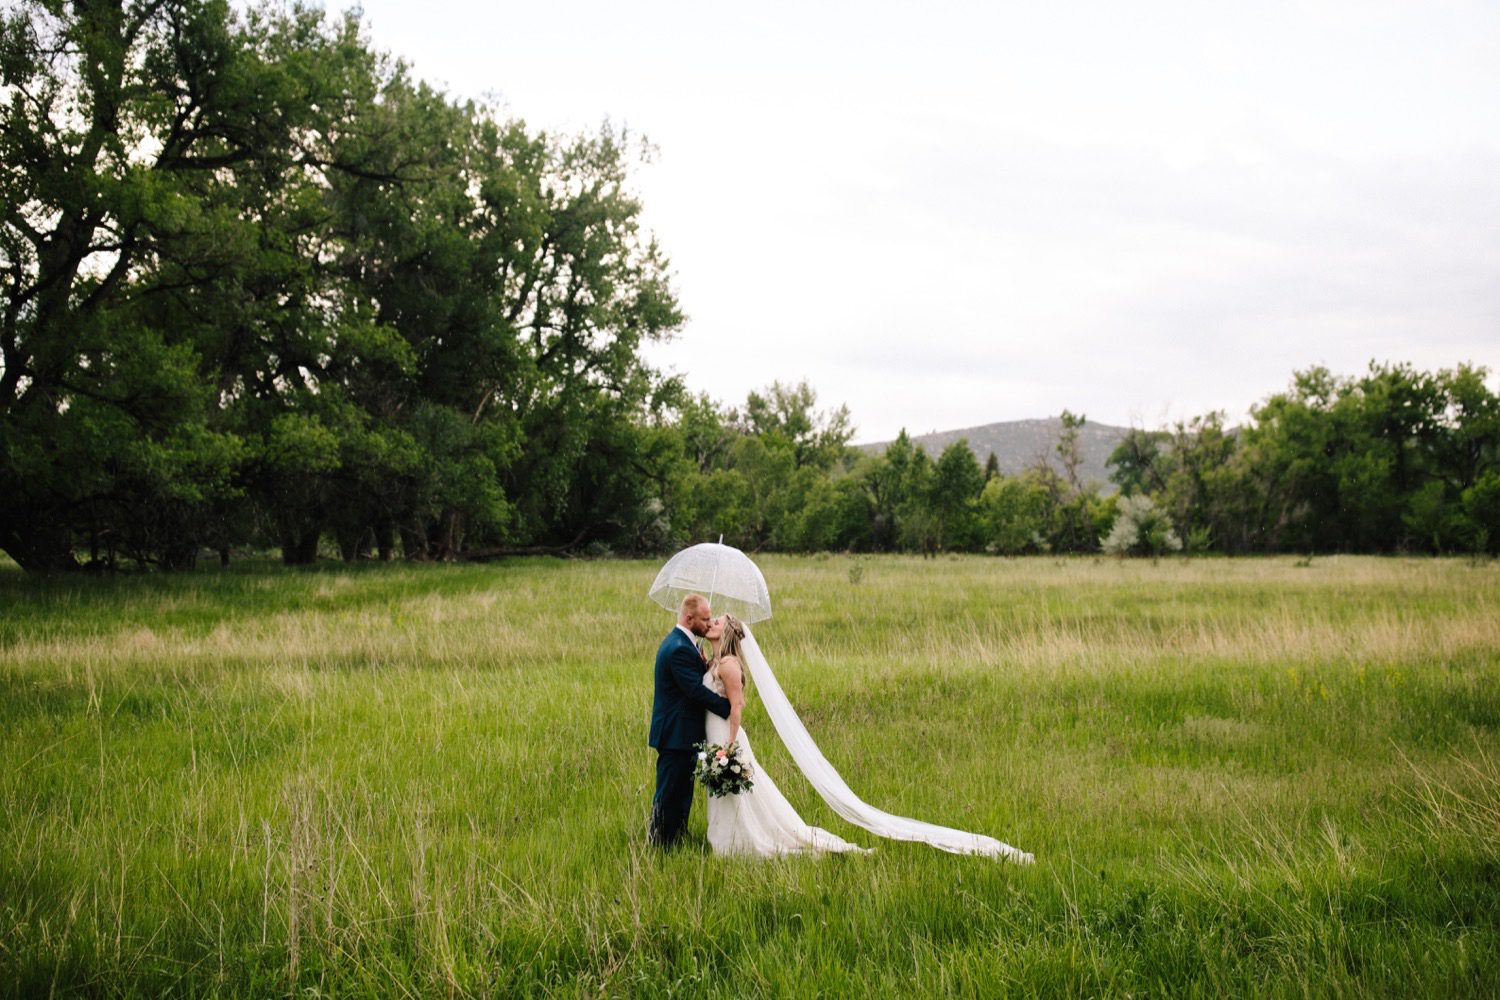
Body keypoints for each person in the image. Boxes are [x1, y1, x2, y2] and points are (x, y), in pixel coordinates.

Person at [700, 613, 869, 856]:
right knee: (724, 792)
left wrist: (730, 745)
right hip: (714, 734)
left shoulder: (728, 664)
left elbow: (737, 706)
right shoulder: (715, 663)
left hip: (727, 737)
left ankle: (741, 841)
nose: (711, 623)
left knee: (740, 793)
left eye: (717, 622)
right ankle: (726, 837)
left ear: (726, 632)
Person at [647, 594, 733, 848]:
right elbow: (694, 690)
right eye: (705, 619)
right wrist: (726, 707)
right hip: (675, 733)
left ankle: (676, 838)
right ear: (689, 618)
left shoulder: (686, 644)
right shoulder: (678, 649)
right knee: (670, 792)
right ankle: (661, 843)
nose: (708, 623)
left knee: (681, 792)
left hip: (682, 733)